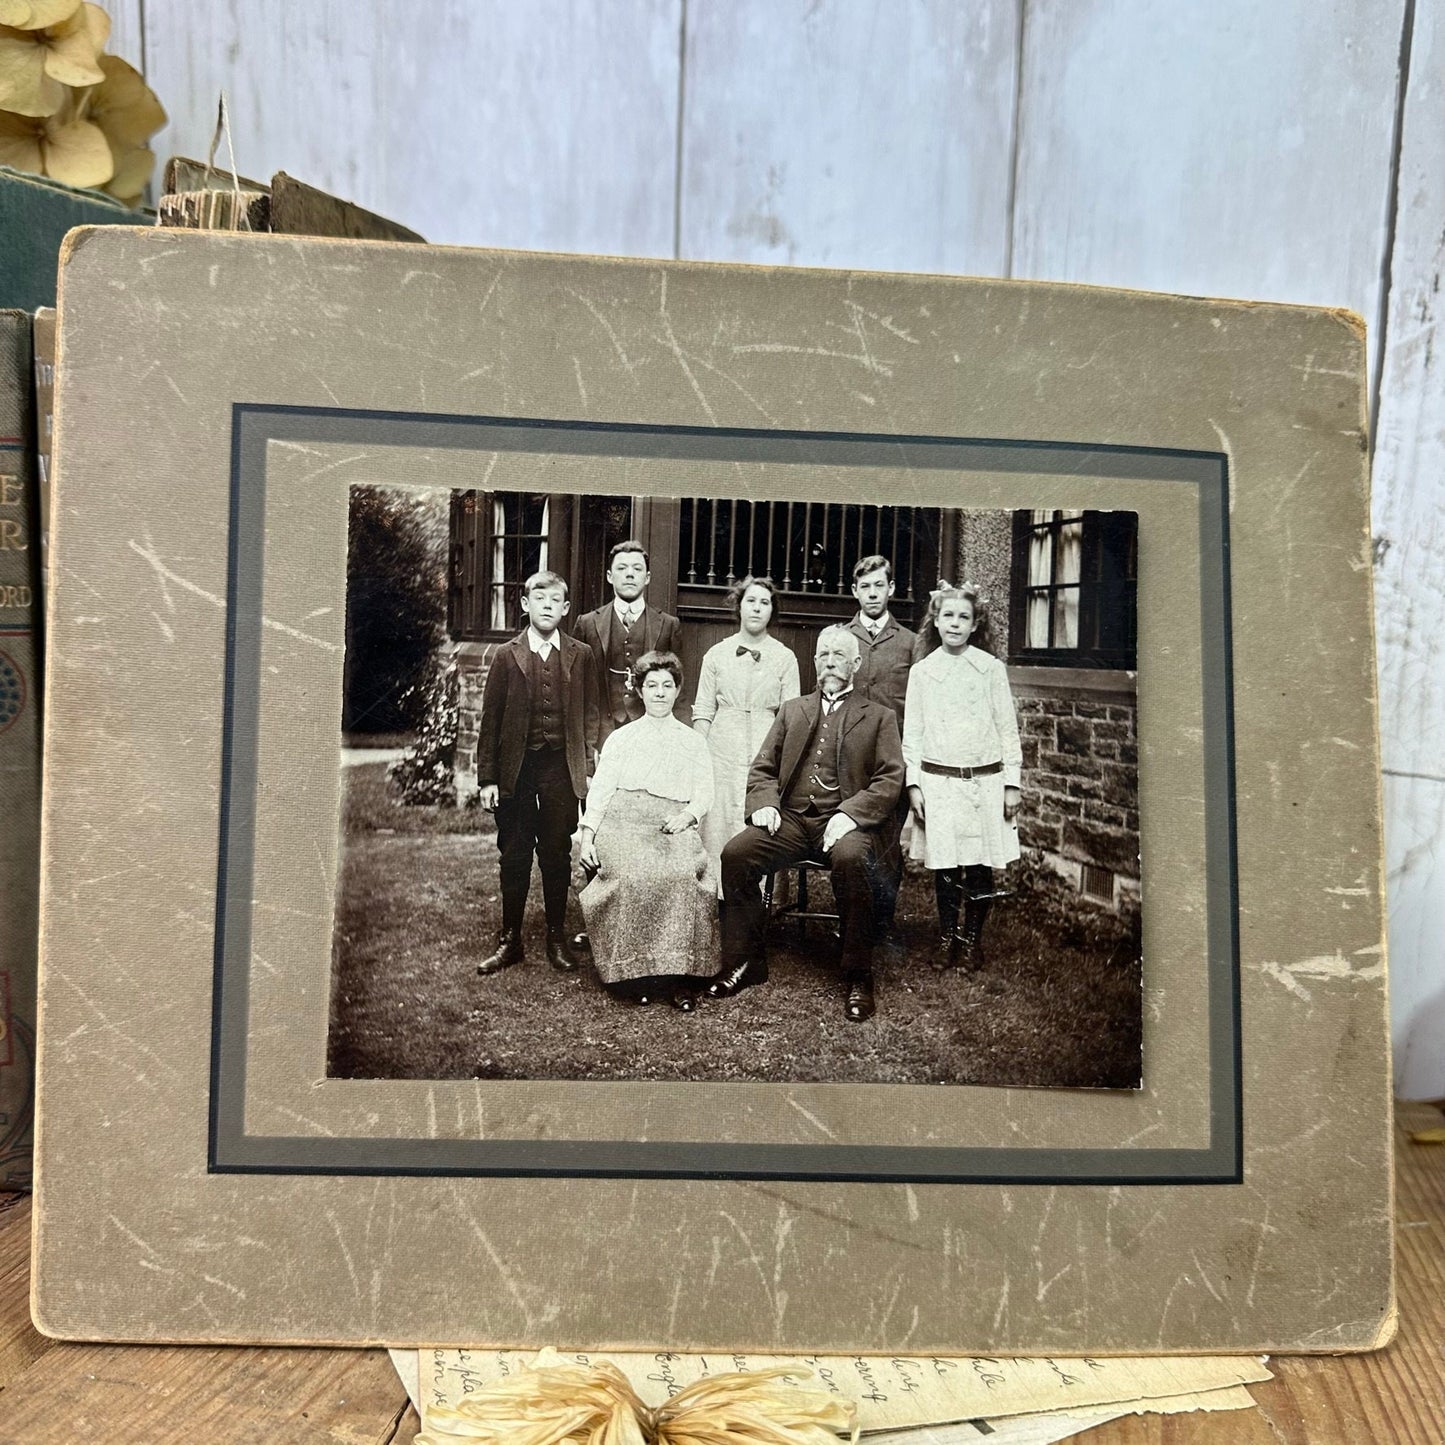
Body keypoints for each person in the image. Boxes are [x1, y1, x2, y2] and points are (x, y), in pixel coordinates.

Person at [709, 625, 904, 1023]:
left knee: (852, 861)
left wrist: (851, 814)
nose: (830, 662)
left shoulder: (879, 717)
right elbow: (762, 767)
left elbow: (889, 779)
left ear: (856, 663)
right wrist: (764, 803)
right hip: (794, 821)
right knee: (736, 854)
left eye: (839, 656)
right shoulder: (792, 709)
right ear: (814, 662)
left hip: (845, 823)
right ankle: (746, 960)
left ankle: (857, 974)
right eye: (823, 655)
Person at [475, 570, 599, 976]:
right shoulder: (507, 655)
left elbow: (590, 714)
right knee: (513, 851)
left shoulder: (580, 654)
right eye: (539, 599)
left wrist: (589, 766)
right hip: (518, 768)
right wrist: (488, 778)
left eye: (555, 601)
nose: (547, 606)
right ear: (525, 605)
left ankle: (556, 936)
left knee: (556, 852)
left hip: (561, 767)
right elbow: (490, 721)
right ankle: (510, 939)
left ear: (565, 609)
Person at [577, 652, 716, 1011]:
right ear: (639, 690)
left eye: (666, 686)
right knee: (632, 874)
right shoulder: (621, 739)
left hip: (672, 823)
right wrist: (589, 834)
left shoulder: (692, 741)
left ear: (677, 690)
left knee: (680, 876)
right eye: (651, 686)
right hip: (623, 821)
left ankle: (678, 977)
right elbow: (602, 791)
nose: (659, 693)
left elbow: (704, 792)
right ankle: (634, 976)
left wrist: (688, 815)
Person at [902, 582, 1021, 970]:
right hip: (939, 782)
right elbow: (913, 733)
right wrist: (914, 783)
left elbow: (1007, 729)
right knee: (947, 864)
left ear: (975, 625)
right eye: (947, 615)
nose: (955, 623)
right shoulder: (922, 672)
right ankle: (947, 937)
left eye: (963, 617)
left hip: (984, 782)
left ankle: (972, 941)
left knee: (980, 863)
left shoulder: (990, 670)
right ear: (935, 621)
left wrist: (1012, 782)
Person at [691, 575, 800, 890]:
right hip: (722, 747)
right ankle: (716, 892)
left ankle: (763, 898)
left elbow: (791, 716)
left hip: (766, 746)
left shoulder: (784, 657)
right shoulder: (716, 654)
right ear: (738, 607)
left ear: (772, 611)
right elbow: (703, 711)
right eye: (750, 601)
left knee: (760, 816)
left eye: (765, 603)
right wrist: (700, 759)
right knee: (719, 821)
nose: (757, 608)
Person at [844, 554, 917, 933]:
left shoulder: (910, 644)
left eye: (879, 586)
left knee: (887, 838)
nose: (872, 594)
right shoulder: (842, 638)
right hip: (852, 755)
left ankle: (883, 919)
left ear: (890, 589)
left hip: (893, 757)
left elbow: (919, 704)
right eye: (865, 587)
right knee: (851, 835)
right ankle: (851, 916)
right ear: (855, 591)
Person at [573, 540, 681, 745]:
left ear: (647, 577)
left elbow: (678, 690)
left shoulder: (668, 625)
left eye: (637, 568)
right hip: (601, 735)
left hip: (652, 735)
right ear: (609, 576)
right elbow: (577, 690)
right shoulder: (586, 624)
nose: (629, 574)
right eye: (621, 568)